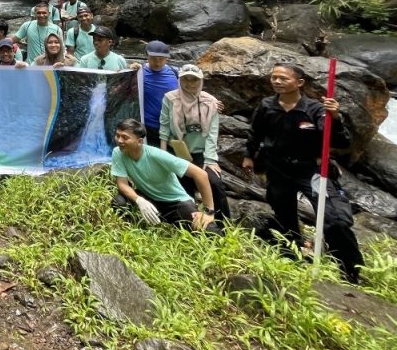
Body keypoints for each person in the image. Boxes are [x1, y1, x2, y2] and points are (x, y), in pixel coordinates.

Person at [242, 63, 364, 283]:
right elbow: (255, 133)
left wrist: (335, 117)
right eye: (274, 77)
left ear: (299, 83)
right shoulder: (267, 106)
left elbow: (341, 142)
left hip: (311, 170)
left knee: (334, 218)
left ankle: (350, 269)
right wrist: (249, 155)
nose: (277, 81)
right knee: (284, 215)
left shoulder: (315, 109)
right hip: (277, 168)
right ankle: (292, 256)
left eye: (283, 78)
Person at [111, 119, 221, 234]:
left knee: (209, 231)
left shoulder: (156, 155)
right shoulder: (118, 152)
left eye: (125, 137)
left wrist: (209, 212)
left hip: (175, 202)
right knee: (119, 202)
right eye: (117, 136)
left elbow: (201, 174)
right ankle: (133, 231)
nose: (119, 140)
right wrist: (139, 200)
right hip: (148, 198)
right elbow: (122, 184)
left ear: (139, 141)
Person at [159, 64, 230, 223]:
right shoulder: (169, 99)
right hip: (177, 152)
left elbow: (212, 133)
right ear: (179, 80)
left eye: (194, 80)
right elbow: (164, 127)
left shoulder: (210, 102)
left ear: (201, 81)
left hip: (201, 154)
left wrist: (210, 160)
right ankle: (188, 224)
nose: (190, 83)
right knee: (182, 188)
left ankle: (223, 224)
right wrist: (163, 155)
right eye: (186, 79)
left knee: (215, 183)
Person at [138, 40, 178, 145]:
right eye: (154, 59)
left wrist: (212, 102)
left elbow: (189, 92)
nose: (157, 63)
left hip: (170, 126)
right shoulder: (139, 72)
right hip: (147, 126)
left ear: (167, 58)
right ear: (147, 56)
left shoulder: (174, 72)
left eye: (161, 59)